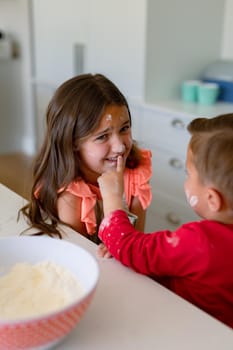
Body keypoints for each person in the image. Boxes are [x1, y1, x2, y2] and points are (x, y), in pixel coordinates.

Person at [97, 113, 233, 329]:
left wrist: (113, 200)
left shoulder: (199, 242)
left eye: (188, 174)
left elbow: (131, 248)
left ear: (212, 199)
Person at [20, 73, 152, 247]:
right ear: (72, 142)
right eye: (103, 136)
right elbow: (82, 258)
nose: (120, 147)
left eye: (124, 128)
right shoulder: (70, 198)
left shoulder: (135, 178)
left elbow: (137, 246)